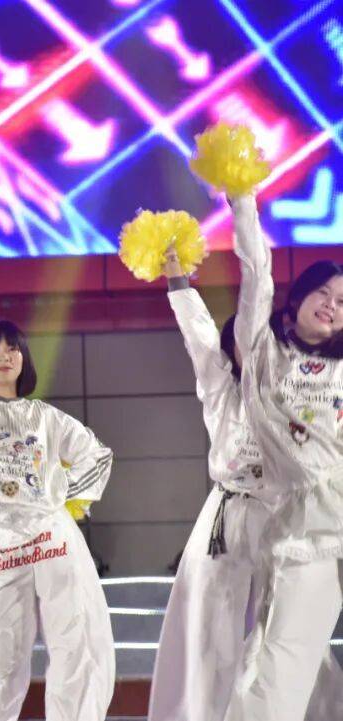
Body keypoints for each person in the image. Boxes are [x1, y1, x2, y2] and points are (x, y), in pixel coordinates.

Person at [149, 248, 343, 721]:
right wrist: (178, 283)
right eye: (238, 341)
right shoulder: (220, 388)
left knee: (279, 636)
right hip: (224, 520)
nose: (248, 350)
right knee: (207, 632)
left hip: (281, 519)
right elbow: (197, 334)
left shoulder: (296, 389)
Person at [0, 278, 115, 721]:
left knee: (75, 639)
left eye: (13, 348)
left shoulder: (45, 417)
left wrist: (57, 498)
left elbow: (97, 456)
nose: (4, 355)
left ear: (23, 357)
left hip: (51, 537)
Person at [223, 193, 343, 721]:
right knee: (277, 654)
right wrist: (242, 203)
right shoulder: (263, 357)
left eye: (342, 301)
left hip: (330, 528)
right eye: (323, 292)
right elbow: (256, 276)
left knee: (287, 656)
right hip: (293, 529)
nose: (332, 304)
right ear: (299, 296)